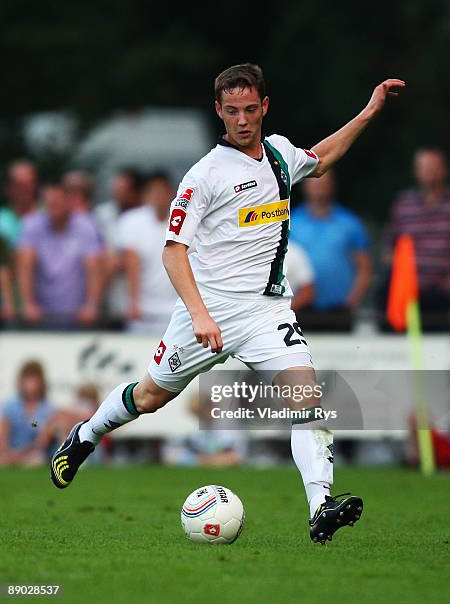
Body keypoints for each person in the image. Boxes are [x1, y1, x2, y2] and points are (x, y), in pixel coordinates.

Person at [50, 64, 405, 544]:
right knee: (151, 397)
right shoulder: (205, 175)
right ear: (219, 111)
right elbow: (173, 251)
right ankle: (86, 434)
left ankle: (321, 506)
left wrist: (369, 111)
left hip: (267, 311)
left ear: (265, 107)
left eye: (250, 109)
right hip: (210, 310)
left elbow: (320, 159)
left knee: (307, 396)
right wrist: (199, 313)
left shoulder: (279, 154)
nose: (242, 119)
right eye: (232, 111)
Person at [17, 183, 103, 329]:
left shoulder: (86, 226)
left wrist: (91, 305)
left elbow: (94, 268)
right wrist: (28, 303)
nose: (53, 207)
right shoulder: (31, 225)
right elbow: (25, 266)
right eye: (49, 203)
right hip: (41, 315)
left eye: (57, 202)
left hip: (78, 316)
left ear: (68, 202)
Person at [290, 170, 372, 313]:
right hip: (299, 307)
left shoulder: (349, 223)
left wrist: (351, 303)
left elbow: (364, 268)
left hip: (340, 309)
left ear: (332, 186)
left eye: (323, 182)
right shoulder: (291, 222)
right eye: (315, 181)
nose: (319, 186)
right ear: (304, 186)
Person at [382, 148, 450, 316]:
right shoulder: (403, 204)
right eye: (425, 167)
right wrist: (401, 280)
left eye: (434, 167)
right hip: (408, 295)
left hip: (444, 293)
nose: (429, 172)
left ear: (445, 170)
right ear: (416, 172)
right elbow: (388, 250)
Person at [116, 171, 178, 334]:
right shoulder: (131, 221)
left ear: (170, 193)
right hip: (142, 313)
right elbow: (131, 264)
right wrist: (133, 304)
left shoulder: (186, 220)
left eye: (162, 192)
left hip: (177, 311)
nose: (158, 196)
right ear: (146, 194)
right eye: (154, 192)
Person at [94, 168, 144, 325]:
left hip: (141, 302)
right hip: (109, 298)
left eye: (123, 191)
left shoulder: (147, 218)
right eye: (116, 190)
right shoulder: (102, 215)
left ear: (136, 193)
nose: (118, 195)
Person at [0, 361, 53, 465]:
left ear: (41, 382)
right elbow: (3, 435)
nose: (30, 384)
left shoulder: (48, 409)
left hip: (33, 454)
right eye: (27, 378)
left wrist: (21, 454)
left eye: (34, 379)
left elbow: (42, 442)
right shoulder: (9, 406)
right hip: (9, 453)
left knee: (37, 460)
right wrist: (9, 452)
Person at [0, 160, 38, 247]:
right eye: (19, 185)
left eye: (29, 184)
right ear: (7, 188)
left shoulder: (49, 217)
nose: (25, 189)